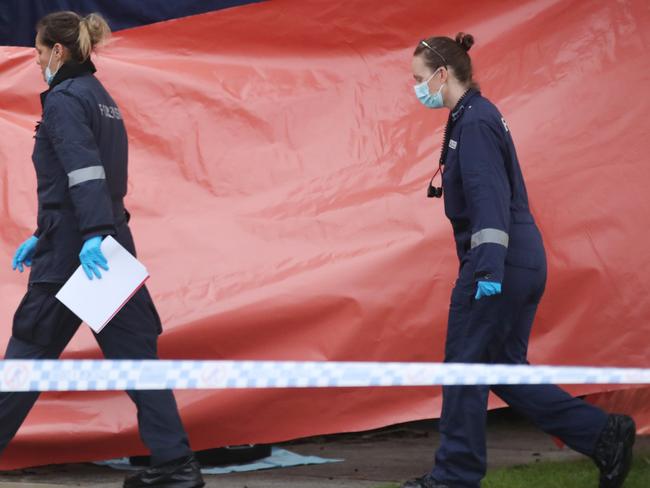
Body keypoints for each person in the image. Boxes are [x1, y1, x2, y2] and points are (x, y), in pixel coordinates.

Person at [403, 33, 636, 488]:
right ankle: (603, 434)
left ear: (442, 74)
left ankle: (454, 477)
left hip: (498, 264)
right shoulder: (475, 116)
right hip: (518, 261)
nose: (415, 89)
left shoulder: (474, 124)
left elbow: (489, 202)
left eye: (418, 79)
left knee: (465, 369)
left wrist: (486, 270)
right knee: (503, 373)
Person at [6, 11, 204, 488]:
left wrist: (80, 234)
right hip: (108, 248)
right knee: (137, 358)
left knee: (26, 357)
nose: (35, 62)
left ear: (57, 51)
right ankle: (175, 465)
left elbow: (83, 172)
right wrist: (46, 230)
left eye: (36, 52)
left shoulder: (65, 100)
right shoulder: (102, 98)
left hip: (77, 253)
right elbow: (90, 176)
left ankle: (175, 465)